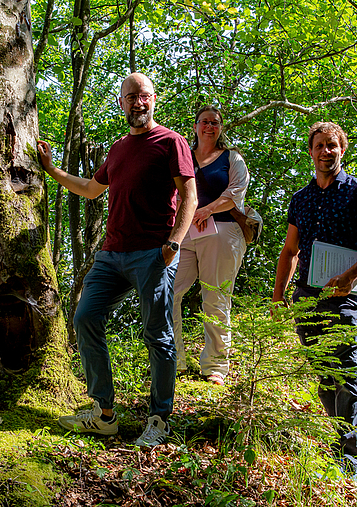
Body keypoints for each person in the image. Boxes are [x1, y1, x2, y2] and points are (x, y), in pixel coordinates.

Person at [37, 73, 197, 447]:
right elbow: (92, 190)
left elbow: (189, 195)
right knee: (85, 317)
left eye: (143, 96)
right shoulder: (118, 148)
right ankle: (105, 414)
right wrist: (51, 170)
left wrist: (174, 242)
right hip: (111, 254)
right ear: (121, 103)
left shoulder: (171, 142)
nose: (137, 103)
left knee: (157, 334)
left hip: (153, 253)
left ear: (153, 99)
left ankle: (159, 419)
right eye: (130, 97)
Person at [272, 121, 357, 476]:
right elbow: (290, 249)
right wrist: (279, 293)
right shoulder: (301, 198)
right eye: (320, 145)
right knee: (325, 376)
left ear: (343, 150)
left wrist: (350, 276)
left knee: (347, 371)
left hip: (346, 297)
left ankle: (351, 457)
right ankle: (346, 438)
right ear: (311, 152)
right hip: (306, 298)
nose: (327, 151)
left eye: (333, 145)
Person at [172, 105, 249, 385]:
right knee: (169, 291)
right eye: (204, 122)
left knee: (215, 297)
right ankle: (174, 360)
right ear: (195, 126)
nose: (209, 127)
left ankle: (215, 365)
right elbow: (172, 192)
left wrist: (207, 210)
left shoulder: (232, 158)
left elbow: (236, 193)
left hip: (223, 231)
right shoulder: (183, 157)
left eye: (215, 123)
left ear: (221, 128)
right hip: (184, 233)